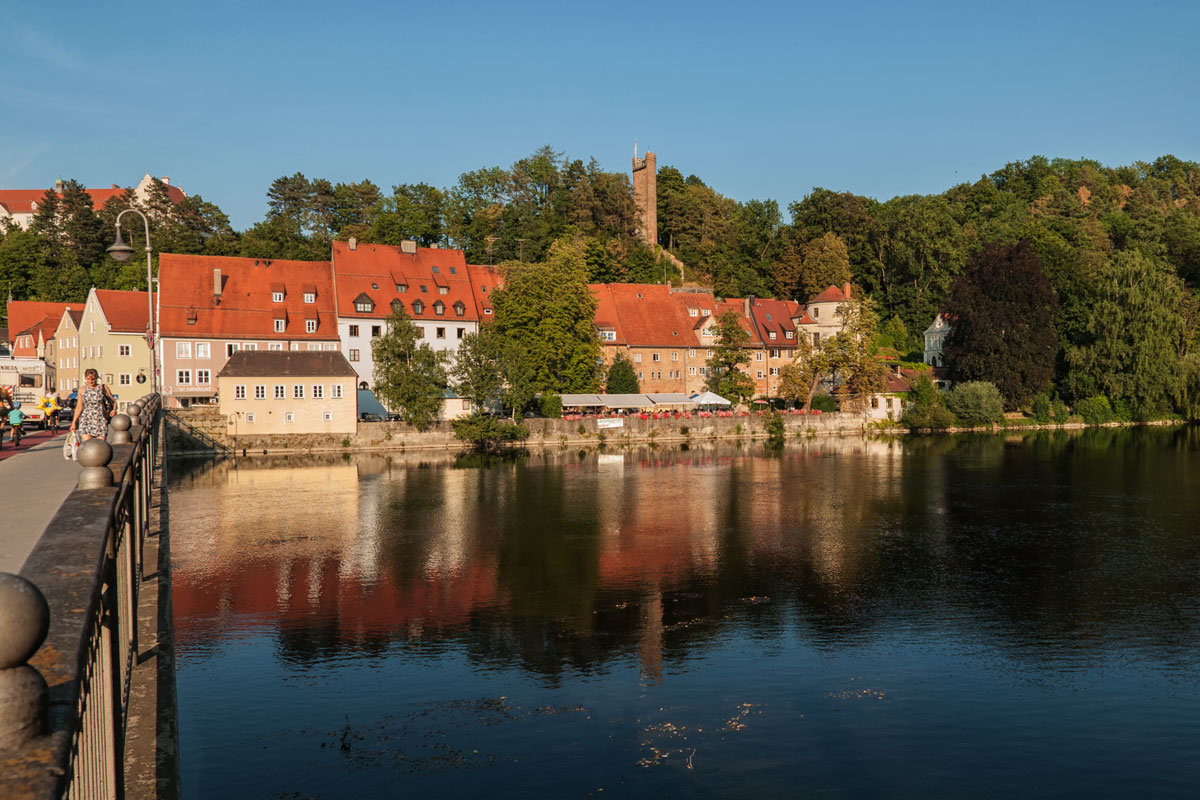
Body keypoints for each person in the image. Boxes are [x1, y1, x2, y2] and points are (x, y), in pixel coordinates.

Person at [70, 368, 115, 442]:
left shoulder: (103, 388)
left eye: (93, 379)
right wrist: (74, 422)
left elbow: (113, 401)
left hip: (100, 419)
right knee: (86, 445)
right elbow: (79, 407)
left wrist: (113, 410)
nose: (91, 381)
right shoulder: (82, 390)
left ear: (97, 378)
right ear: (85, 378)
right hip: (86, 419)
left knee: (101, 446)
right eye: (88, 379)